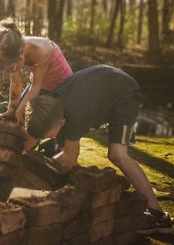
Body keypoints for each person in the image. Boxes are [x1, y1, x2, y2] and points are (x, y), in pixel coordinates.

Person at [24, 64, 173, 235]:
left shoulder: (75, 116)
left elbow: (69, 157)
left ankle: (159, 217)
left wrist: (38, 171)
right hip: (101, 85)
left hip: (124, 93)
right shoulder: (49, 104)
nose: (45, 139)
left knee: (117, 155)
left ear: (61, 123)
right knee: (67, 148)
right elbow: (66, 152)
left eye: (47, 136)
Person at [0, 18, 73, 148]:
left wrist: (21, 110)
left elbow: (36, 87)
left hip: (62, 87)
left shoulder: (42, 50)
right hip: (41, 85)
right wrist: (12, 110)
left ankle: (30, 150)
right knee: (18, 116)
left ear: (22, 53)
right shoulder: (11, 52)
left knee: (34, 124)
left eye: (12, 69)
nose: (12, 71)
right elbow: (17, 83)